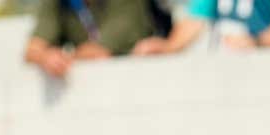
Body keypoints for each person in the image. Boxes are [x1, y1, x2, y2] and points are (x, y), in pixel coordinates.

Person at [24, 0, 167, 78]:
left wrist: (64, 57)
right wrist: (45, 57)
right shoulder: (59, 3)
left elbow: (98, 52)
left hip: (139, 85)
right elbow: (32, 50)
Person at [132, 0, 270, 52]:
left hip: (266, 68)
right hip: (226, 68)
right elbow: (195, 18)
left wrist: (258, 42)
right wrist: (168, 47)